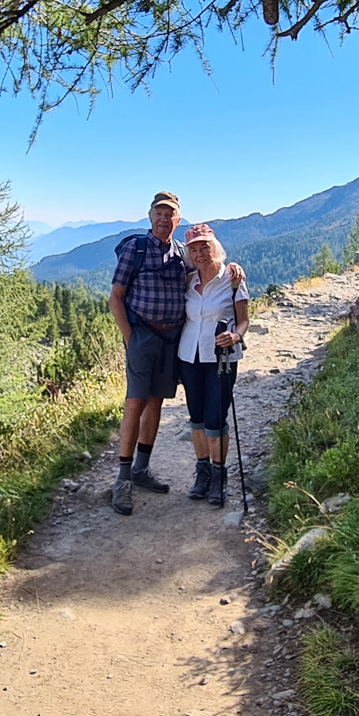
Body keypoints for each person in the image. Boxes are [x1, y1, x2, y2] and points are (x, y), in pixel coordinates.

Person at [107, 192, 242, 516]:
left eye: (171, 215)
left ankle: (141, 469)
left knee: (155, 402)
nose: (164, 219)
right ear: (150, 216)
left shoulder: (181, 253)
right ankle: (123, 480)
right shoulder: (134, 250)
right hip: (142, 335)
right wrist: (129, 338)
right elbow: (116, 296)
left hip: (171, 340)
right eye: (159, 213)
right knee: (135, 403)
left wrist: (233, 267)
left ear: (177, 220)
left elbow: (208, 266)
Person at [175, 223, 249, 507]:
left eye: (204, 247)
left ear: (214, 247)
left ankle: (219, 477)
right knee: (197, 418)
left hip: (222, 358)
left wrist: (236, 335)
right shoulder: (189, 281)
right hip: (189, 356)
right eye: (194, 249)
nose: (200, 254)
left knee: (216, 418)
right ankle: (202, 472)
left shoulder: (232, 279)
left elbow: (244, 319)